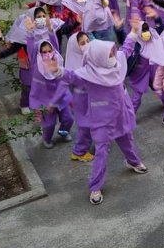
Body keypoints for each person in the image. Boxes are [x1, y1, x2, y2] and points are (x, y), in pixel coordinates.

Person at [50, 36, 148, 205]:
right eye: (109, 54)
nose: (113, 56)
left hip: (120, 114)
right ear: (99, 57)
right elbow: (71, 76)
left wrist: (132, 34)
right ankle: (95, 186)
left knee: (127, 139)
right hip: (102, 119)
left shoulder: (116, 65)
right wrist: (57, 70)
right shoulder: (89, 75)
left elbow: (125, 50)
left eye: (112, 52)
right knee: (102, 151)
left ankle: (134, 162)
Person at [25, 16, 73, 149]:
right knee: (49, 124)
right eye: (43, 52)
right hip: (44, 100)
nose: (47, 54)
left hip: (60, 97)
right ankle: (46, 139)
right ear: (39, 53)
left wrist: (51, 30)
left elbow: (54, 42)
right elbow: (31, 47)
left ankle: (64, 132)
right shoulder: (36, 61)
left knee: (68, 119)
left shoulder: (57, 59)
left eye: (49, 51)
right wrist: (30, 32)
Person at [61, 32, 94, 161]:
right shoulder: (74, 68)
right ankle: (79, 152)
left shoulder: (87, 58)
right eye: (82, 43)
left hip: (89, 98)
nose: (87, 45)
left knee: (91, 122)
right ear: (75, 47)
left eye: (88, 41)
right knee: (86, 125)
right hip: (82, 100)